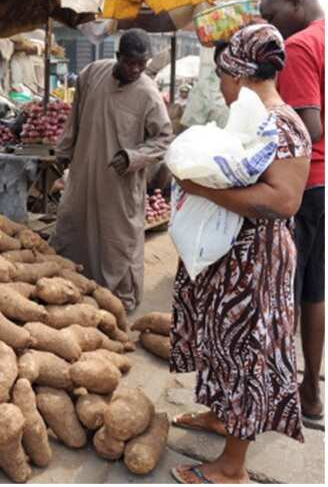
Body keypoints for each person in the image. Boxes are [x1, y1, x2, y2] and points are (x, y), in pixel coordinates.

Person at [169, 24, 311, 484]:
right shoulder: (252, 117)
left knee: (247, 351)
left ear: (238, 75)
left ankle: (232, 466)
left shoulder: (283, 125)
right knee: (220, 341)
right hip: (231, 257)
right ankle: (220, 417)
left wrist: (200, 189)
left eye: (223, 79)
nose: (222, 90)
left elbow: (283, 201)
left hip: (257, 261)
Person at [52, 28, 173, 311]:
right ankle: (73, 288)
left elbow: (164, 139)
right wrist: (65, 149)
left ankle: (119, 304)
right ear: (117, 56)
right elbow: (75, 117)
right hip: (83, 172)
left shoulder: (148, 93)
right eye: (130, 62)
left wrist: (134, 157)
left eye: (142, 64)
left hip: (119, 184)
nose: (136, 69)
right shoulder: (92, 74)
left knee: (118, 243)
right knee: (72, 228)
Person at [262, 0, 325, 421]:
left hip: (303, 186)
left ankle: (278, 394)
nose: (273, 26)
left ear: (295, 0)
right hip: (323, 185)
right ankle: (310, 393)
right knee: (314, 291)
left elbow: (309, 126)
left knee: (285, 290)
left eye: (274, 15)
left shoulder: (301, 45)